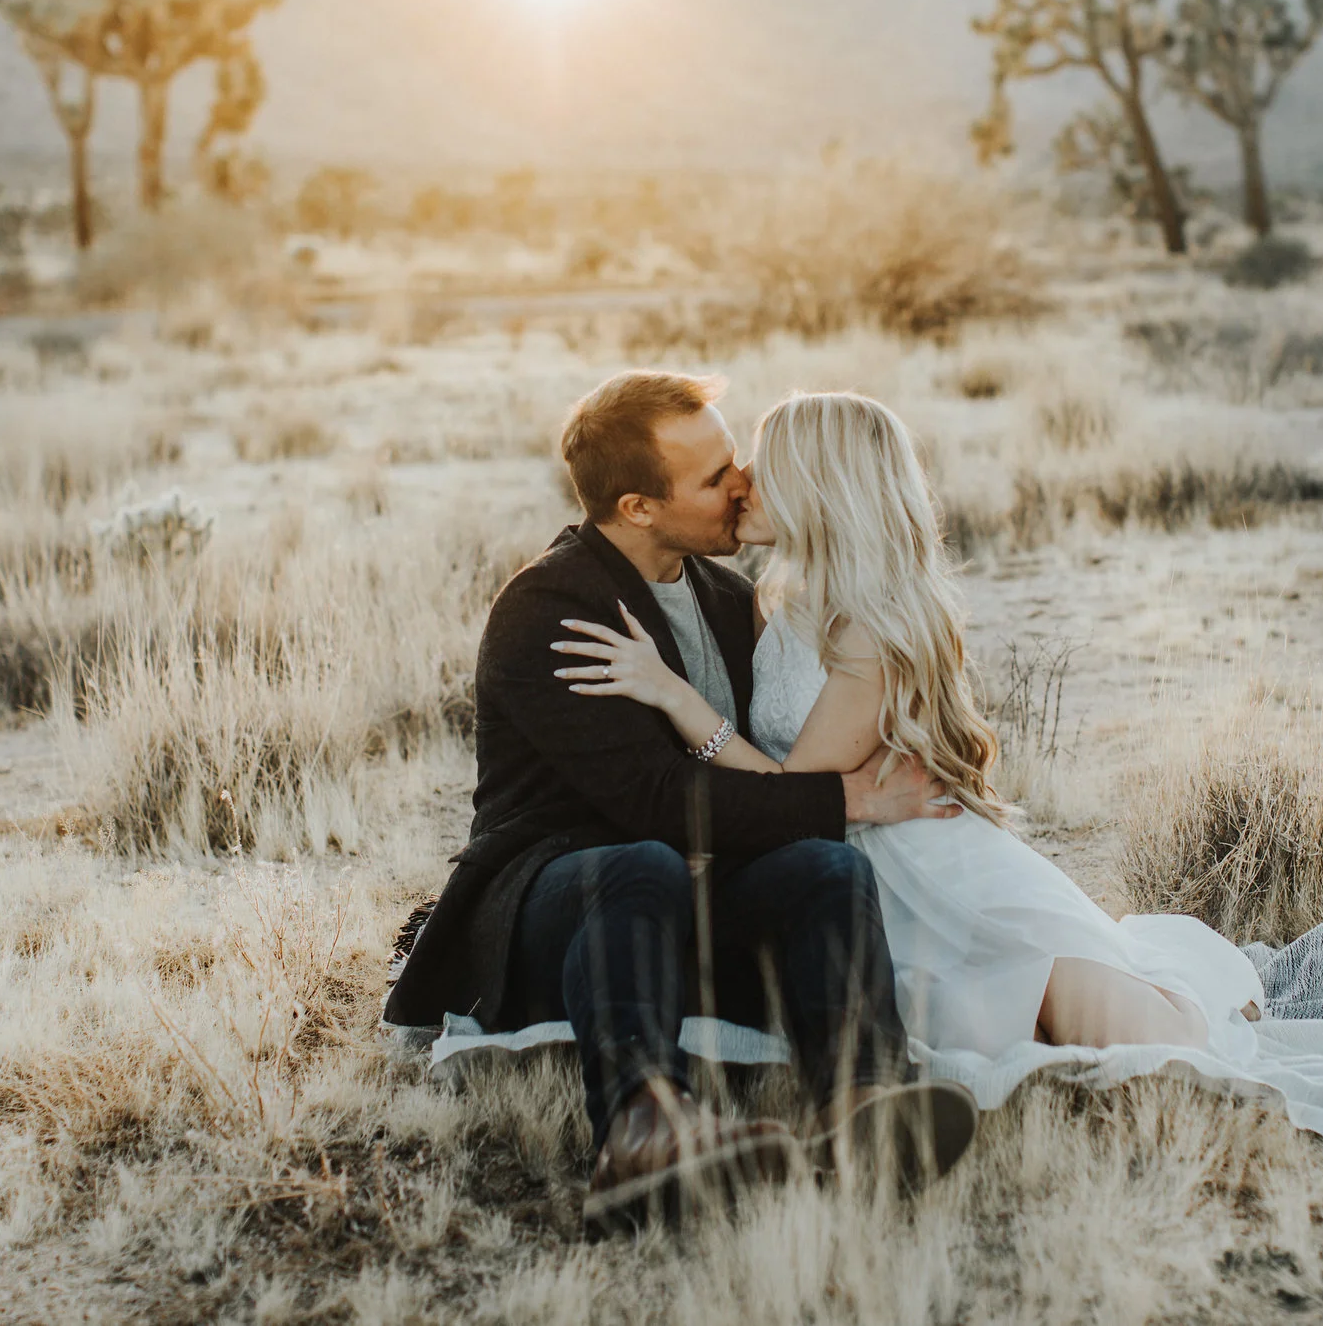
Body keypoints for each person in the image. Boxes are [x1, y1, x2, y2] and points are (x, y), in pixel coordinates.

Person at [551, 391, 1323, 1147]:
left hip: (926, 861)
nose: (743, 485)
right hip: (864, 860)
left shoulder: (867, 624)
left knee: (1165, 1049)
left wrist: (680, 704)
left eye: (761, 469)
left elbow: (789, 791)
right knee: (1005, 1018)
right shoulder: (781, 596)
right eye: (729, 472)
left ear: (820, 489)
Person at [383, 371, 978, 1227]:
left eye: (735, 460)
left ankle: (864, 1105)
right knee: (640, 864)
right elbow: (659, 801)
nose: (742, 483)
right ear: (637, 507)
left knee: (821, 868)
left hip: (688, 886)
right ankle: (641, 1130)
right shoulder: (552, 606)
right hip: (559, 901)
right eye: (713, 478)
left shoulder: (728, 595)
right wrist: (844, 796)